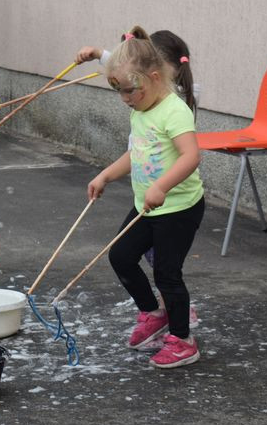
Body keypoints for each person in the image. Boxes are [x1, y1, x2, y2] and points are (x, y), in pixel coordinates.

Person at [86, 27, 205, 369]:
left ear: (154, 77)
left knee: (168, 274)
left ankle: (183, 340)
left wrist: (162, 186)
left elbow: (190, 157)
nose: (125, 98)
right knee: (121, 256)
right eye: (118, 91)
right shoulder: (141, 108)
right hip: (147, 206)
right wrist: (106, 174)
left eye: (128, 91)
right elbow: (137, 153)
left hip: (178, 208)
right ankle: (153, 313)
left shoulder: (174, 111)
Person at [76, 30, 199, 113]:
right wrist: (98, 54)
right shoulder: (149, 93)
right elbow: (126, 71)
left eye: (155, 64)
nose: (124, 98)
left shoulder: (176, 100)